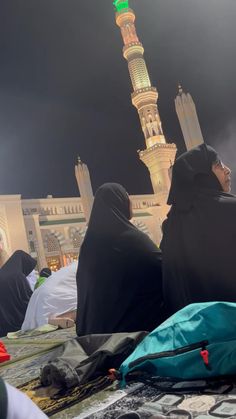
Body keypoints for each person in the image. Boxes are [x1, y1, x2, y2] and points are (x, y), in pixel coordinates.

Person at [76, 182, 164, 336]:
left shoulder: (88, 246)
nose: (130, 201)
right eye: (127, 196)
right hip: (125, 333)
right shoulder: (131, 239)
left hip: (92, 332)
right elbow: (164, 269)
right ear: (120, 202)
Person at [161, 143, 235, 315]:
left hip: (198, 334)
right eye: (218, 165)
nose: (227, 170)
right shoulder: (231, 210)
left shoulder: (171, 226)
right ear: (202, 175)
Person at [21, 261, 77, 331]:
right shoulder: (82, 267)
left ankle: (50, 320)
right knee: (86, 305)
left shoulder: (72, 266)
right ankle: (54, 320)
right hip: (54, 293)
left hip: (38, 294)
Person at [0, 250, 36, 337]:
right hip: (21, 324)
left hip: (3, 326)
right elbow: (28, 299)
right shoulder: (18, 276)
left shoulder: (3, 274)